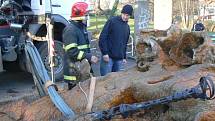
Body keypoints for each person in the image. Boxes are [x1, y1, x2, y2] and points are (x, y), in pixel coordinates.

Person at [63, 2, 98, 90]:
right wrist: (89, 57)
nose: (87, 17)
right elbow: (72, 52)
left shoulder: (79, 28)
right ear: (79, 15)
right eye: (86, 14)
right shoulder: (70, 30)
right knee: (76, 98)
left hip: (81, 70)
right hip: (74, 74)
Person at [99, 4, 133, 76]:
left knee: (116, 82)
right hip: (108, 57)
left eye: (127, 15)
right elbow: (103, 37)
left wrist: (124, 57)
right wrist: (104, 53)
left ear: (130, 16)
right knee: (105, 81)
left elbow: (124, 43)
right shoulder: (112, 21)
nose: (125, 17)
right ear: (121, 13)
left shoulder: (127, 27)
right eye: (124, 14)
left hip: (119, 59)